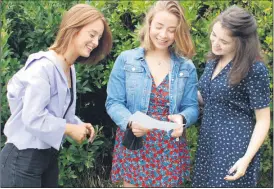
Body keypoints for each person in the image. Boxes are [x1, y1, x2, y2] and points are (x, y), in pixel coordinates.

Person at [0, 4, 112, 187]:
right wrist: (69, 129)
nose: (96, 42)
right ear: (73, 28)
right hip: (21, 159)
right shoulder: (43, 67)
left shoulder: (70, 68)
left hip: (47, 158)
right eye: (92, 35)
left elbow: (58, 114)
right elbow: (33, 118)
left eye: (99, 38)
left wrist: (77, 124)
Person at [105, 1, 199, 187]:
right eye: (159, 26)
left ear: (178, 32)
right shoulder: (126, 59)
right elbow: (114, 102)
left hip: (169, 147)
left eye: (172, 30)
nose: (164, 35)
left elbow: (192, 107)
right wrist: (131, 122)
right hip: (136, 142)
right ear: (149, 24)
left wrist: (182, 118)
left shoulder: (186, 67)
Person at [192, 5, 271, 187]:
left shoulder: (254, 69)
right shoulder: (214, 60)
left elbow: (263, 120)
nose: (216, 43)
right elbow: (209, 98)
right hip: (208, 143)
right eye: (214, 35)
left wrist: (246, 159)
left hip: (234, 146)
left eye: (224, 41)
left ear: (242, 42)